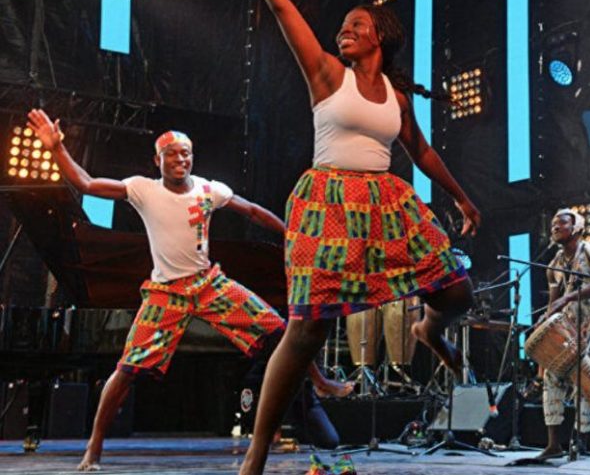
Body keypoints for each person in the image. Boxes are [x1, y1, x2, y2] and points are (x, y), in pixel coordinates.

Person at [216, 0, 482, 475]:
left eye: (357, 24)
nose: (346, 29)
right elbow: (280, 4)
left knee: (457, 293)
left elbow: (422, 151)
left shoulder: (397, 97)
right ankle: (255, 455)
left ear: (380, 36)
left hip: (386, 202)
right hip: (329, 201)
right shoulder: (326, 74)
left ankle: (428, 328)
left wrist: (462, 197)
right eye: (343, 25)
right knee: (308, 328)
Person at [25, 110, 350, 472]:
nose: (180, 159)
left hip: (208, 284)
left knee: (278, 327)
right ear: (157, 160)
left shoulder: (209, 190)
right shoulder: (143, 189)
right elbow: (85, 183)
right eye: (171, 154)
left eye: (186, 153)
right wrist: (57, 149)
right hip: (166, 293)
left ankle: (320, 382)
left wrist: (290, 236)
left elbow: (253, 211)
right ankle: (94, 448)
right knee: (128, 369)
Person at [535, 208, 590, 459]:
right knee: (552, 376)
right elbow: (554, 302)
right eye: (553, 224)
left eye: (562, 223)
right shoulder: (554, 264)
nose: (555, 227)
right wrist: (545, 323)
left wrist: (569, 297)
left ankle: (580, 442)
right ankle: (553, 445)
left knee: (585, 380)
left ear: (577, 227)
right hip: (567, 327)